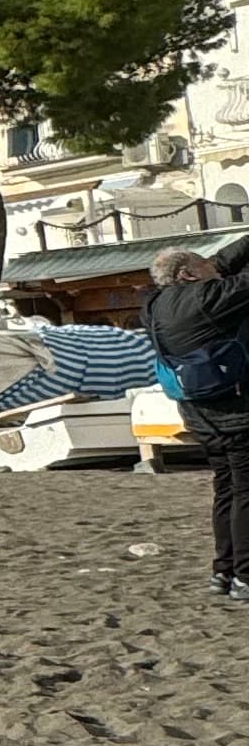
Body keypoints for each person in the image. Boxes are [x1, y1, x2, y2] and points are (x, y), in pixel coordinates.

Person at [150, 238, 249, 599]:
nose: (216, 267)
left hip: (198, 414)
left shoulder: (156, 304)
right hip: (234, 411)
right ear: (190, 274)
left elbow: (222, 264)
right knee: (245, 491)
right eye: (206, 265)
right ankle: (245, 577)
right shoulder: (210, 299)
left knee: (225, 487)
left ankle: (222, 573)